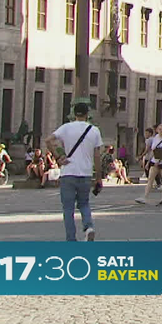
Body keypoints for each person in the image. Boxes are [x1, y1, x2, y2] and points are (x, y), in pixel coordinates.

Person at [43, 101, 104, 241]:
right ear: (88, 114)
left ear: (74, 114)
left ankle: (71, 239)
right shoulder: (94, 130)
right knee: (84, 203)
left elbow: (48, 140)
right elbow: (97, 155)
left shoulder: (66, 128)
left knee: (68, 208)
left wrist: (58, 157)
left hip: (68, 172)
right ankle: (89, 227)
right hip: (85, 173)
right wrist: (99, 177)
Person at [137, 122, 162, 204]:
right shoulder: (155, 138)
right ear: (157, 130)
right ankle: (145, 196)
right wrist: (148, 162)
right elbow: (153, 151)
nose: (161, 131)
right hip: (155, 161)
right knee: (150, 179)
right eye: (160, 129)